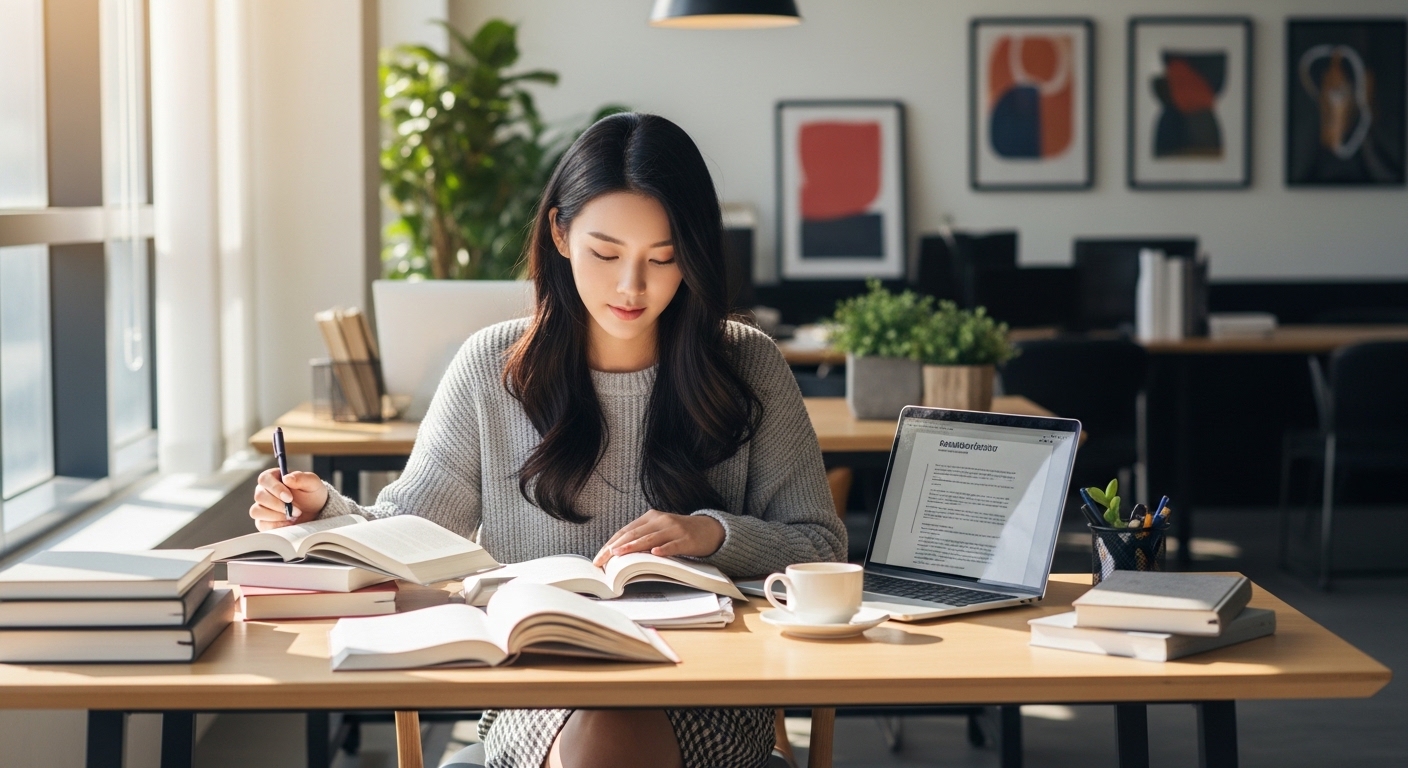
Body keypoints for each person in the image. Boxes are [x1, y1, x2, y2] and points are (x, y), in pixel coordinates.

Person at [249, 112, 847, 768]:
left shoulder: (748, 364)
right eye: (606, 252)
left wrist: (712, 535)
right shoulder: (492, 366)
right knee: (605, 726)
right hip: (539, 685)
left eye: (663, 257)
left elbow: (819, 543)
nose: (632, 287)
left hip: (706, 682)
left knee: (619, 730)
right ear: (561, 234)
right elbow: (407, 532)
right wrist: (321, 516)